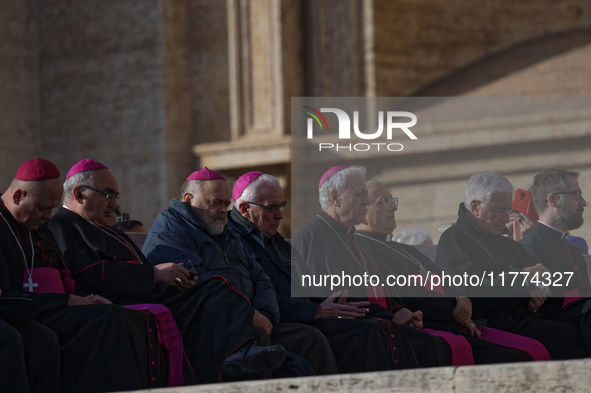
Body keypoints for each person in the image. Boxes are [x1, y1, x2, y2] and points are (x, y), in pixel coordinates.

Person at [48, 159, 288, 384]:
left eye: (116, 196)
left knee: (221, 294)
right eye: (108, 195)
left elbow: (260, 276)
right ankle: (239, 353)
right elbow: (89, 272)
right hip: (125, 301)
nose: (114, 203)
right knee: (215, 289)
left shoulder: (107, 230)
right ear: (79, 194)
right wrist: (152, 274)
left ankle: (244, 352)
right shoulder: (63, 225)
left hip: (152, 295)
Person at [141, 167, 336, 377]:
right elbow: (196, 282)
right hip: (206, 327)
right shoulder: (171, 227)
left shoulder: (226, 233)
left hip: (253, 321)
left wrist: (266, 315)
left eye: (226, 204)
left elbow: (260, 278)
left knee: (310, 339)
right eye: (215, 202)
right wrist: (248, 315)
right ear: (189, 199)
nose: (223, 210)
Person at [227, 171, 424, 372]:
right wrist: (317, 310)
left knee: (381, 328)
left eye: (281, 206)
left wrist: (388, 312)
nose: (280, 215)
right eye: (271, 208)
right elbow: (254, 296)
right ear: (244, 209)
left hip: (306, 315)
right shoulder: (231, 242)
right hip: (280, 321)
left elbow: (313, 285)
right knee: (367, 332)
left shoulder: (275, 240)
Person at [0, 157, 164, 392]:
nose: (48, 216)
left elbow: (64, 273)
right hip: (28, 309)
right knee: (107, 319)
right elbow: (9, 293)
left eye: (51, 209)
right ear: (18, 197)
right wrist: (68, 300)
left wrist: (82, 297)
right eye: (43, 208)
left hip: (50, 307)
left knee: (113, 314)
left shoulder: (39, 225)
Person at [355, 180, 547, 363]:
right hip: (433, 322)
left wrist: (462, 298)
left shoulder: (404, 249)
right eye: (384, 202)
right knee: (513, 358)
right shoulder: (362, 251)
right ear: (362, 211)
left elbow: (447, 281)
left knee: (534, 348)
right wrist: (454, 305)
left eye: (393, 200)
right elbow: (406, 293)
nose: (394, 207)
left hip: (456, 319)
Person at [291, 165, 453, 369]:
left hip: (376, 321)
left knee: (433, 344)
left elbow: (380, 284)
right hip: (348, 327)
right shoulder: (314, 237)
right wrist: (391, 317)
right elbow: (338, 295)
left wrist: (402, 311)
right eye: (359, 195)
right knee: (428, 346)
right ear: (335, 197)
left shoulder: (352, 237)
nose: (366, 202)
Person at [435, 171, 588, 360]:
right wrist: (523, 280)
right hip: (498, 325)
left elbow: (537, 281)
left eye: (509, 211)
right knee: (574, 339)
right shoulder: (454, 239)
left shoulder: (508, 245)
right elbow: (471, 286)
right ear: (475, 207)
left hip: (530, 318)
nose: (507, 219)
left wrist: (538, 290)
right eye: (500, 210)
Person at [520, 168, 591, 351]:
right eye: (576, 195)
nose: (583, 202)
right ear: (553, 200)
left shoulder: (571, 249)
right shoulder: (528, 247)